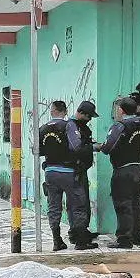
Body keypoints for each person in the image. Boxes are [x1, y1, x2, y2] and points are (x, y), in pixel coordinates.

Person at [39, 100, 97, 251]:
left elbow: (38, 151)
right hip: (68, 172)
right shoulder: (69, 125)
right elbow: (75, 146)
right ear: (65, 111)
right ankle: (80, 241)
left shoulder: (42, 128)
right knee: (78, 206)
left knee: (54, 207)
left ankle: (57, 240)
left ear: (52, 111)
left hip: (50, 172)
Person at [97, 97, 140, 249]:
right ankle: (137, 236)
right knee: (138, 204)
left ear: (121, 110)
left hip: (124, 170)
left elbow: (108, 147)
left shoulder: (120, 126)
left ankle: (124, 239)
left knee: (123, 204)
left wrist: (99, 146)